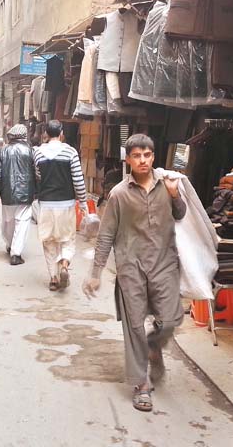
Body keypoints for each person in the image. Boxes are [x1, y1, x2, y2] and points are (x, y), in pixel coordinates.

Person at [83, 134, 185, 413]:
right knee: (135, 327)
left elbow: (180, 214)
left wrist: (176, 196)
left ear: (154, 157)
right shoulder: (118, 194)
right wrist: (96, 273)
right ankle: (141, 383)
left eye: (147, 155)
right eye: (137, 156)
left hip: (164, 265)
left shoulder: (168, 186)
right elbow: (105, 236)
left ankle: (154, 346)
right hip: (131, 269)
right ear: (128, 159)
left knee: (171, 318)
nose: (143, 160)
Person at [33, 120, 86, 291]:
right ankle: (64, 264)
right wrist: (83, 202)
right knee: (67, 239)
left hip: (46, 203)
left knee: (48, 241)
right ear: (61, 133)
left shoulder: (38, 153)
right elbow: (78, 179)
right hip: (66, 203)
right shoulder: (70, 152)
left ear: (46, 134)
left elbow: (39, 176)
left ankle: (54, 278)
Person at [0, 124, 36, 265]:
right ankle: (15, 254)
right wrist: (38, 191)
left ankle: (11, 245)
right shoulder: (30, 151)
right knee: (22, 222)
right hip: (26, 192)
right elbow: (37, 173)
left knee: (8, 221)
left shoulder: (2, 151)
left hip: (7, 193)